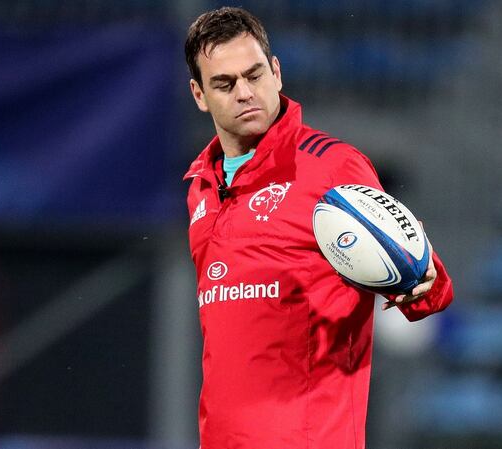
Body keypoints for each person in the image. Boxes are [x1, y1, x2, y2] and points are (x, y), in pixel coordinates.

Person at [182, 7, 454, 449]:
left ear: (276, 72)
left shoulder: (332, 166)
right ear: (199, 94)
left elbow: (426, 282)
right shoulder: (201, 185)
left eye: (254, 75)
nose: (245, 93)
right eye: (225, 84)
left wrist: (423, 277)